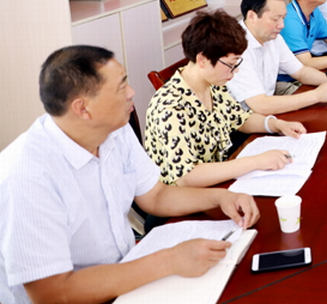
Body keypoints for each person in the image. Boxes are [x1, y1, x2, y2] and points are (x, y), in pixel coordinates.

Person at [0, 46, 260, 304]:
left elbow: (156, 196)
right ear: (83, 108)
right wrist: (169, 261)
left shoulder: (113, 129)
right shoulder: (27, 175)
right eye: (121, 86)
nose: (132, 92)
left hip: (124, 276)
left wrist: (220, 198)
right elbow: (51, 293)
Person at [145, 10, 309, 187]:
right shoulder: (171, 106)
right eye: (231, 64)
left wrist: (276, 124)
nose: (235, 71)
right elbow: (186, 177)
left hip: (219, 177)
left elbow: (239, 118)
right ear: (202, 60)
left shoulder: (212, 84)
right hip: (184, 195)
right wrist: (255, 162)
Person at [227, 0, 327, 115]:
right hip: (241, 121)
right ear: (252, 16)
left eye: (283, 18)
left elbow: (301, 72)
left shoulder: (273, 38)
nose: (282, 25)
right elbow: (260, 105)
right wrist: (316, 95)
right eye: (275, 19)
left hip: (264, 112)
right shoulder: (235, 47)